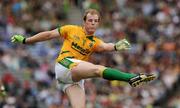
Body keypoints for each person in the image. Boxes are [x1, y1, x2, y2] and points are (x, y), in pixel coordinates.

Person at [11, 9, 156, 108]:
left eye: (96, 21)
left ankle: (131, 79)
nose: (93, 23)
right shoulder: (71, 29)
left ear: (98, 23)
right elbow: (48, 35)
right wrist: (25, 40)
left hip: (72, 78)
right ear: (84, 22)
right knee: (97, 69)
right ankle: (131, 78)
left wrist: (117, 46)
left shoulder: (95, 42)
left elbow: (106, 47)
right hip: (64, 65)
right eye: (90, 20)